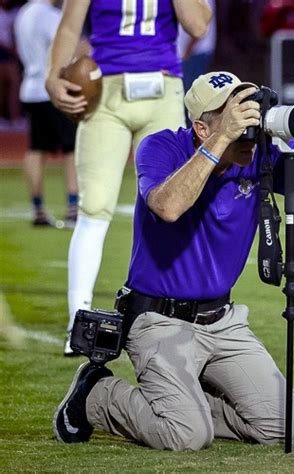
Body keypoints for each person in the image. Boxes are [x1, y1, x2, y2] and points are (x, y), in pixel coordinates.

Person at [53, 71, 294, 450]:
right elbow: (167, 206)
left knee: (288, 429)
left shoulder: (258, 156)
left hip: (223, 322)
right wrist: (222, 139)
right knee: (185, 435)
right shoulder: (161, 147)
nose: (248, 124)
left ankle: (188, 401)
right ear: (202, 127)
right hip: (159, 320)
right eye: (235, 114)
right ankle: (97, 395)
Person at [45, 0, 212, 355]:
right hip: (105, 91)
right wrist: (53, 76)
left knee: (174, 205)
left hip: (163, 89)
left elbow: (198, 25)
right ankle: (79, 321)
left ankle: (175, 317)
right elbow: (70, 27)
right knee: (94, 208)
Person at [14, 0, 79, 227]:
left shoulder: (25, 12)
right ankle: (73, 208)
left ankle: (38, 209)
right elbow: (69, 44)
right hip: (51, 90)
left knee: (36, 150)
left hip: (30, 88)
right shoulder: (49, 14)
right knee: (72, 148)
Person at [177, 0, 216, 92]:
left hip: (195, 53)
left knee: (191, 91)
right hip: (183, 53)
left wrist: (187, 51)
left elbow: (203, 23)